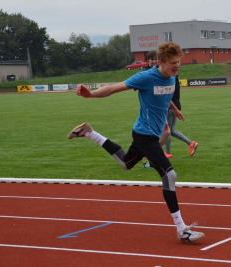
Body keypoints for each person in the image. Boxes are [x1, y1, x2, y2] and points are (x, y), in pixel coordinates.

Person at [67, 42, 204, 243]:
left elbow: (166, 94)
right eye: (173, 63)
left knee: (126, 164)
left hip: (147, 133)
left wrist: (174, 109)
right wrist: (91, 95)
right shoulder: (146, 77)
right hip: (145, 136)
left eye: (179, 63)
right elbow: (116, 87)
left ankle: (89, 132)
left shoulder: (172, 76)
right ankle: (182, 230)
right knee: (170, 175)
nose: (177, 67)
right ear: (162, 61)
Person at [162, 76, 199, 158]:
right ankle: (191, 143)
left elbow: (167, 95)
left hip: (171, 107)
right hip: (175, 106)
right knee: (171, 130)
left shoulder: (170, 79)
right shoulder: (174, 78)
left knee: (166, 130)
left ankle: (167, 153)